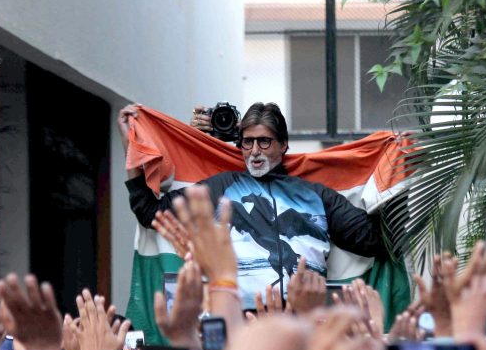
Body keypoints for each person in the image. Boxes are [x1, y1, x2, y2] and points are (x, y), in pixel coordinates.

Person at [120, 102, 387, 307]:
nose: (255, 150)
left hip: (306, 328)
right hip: (240, 328)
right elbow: (151, 213)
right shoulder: (221, 188)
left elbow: (374, 240)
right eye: (248, 142)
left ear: (283, 144)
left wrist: (394, 168)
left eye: (264, 141)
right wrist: (131, 141)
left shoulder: (315, 195)